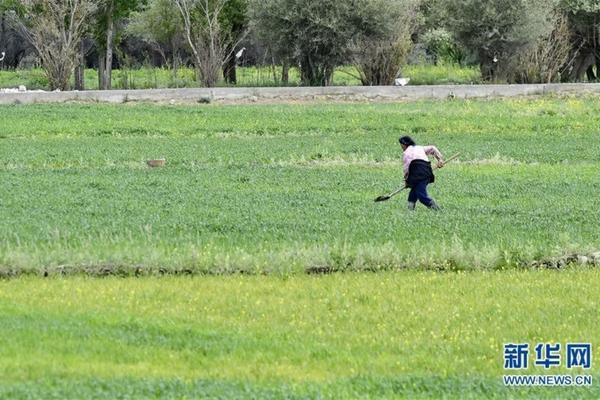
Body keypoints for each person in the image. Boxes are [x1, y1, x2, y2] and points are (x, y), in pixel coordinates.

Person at [399, 136, 444, 210]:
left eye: (401, 145)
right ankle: (410, 210)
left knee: (421, 195)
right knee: (414, 190)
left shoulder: (406, 153)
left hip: (417, 173)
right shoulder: (419, 148)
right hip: (426, 171)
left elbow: (407, 169)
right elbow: (432, 148)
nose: (401, 147)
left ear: (404, 144)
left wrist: (406, 181)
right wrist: (440, 160)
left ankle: (437, 209)